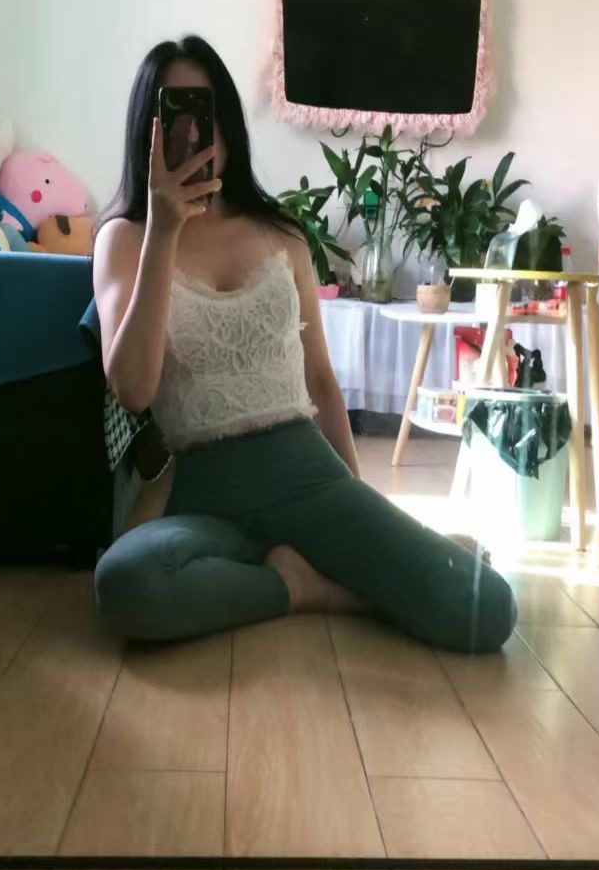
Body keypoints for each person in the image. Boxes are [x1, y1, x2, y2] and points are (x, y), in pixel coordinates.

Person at [92, 35, 516, 652]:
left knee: (488, 609)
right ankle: (302, 587)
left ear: (228, 126)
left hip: (306, 474)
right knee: (126, 584)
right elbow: (133, 389)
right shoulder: (124, 240)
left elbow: (319, 380)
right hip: (202, 493)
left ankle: (322, 574)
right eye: (174, 114)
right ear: (147, 130)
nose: (193, 134)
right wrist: (162, 232)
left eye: (205, 113)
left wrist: (361, 510)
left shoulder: (281, 234)